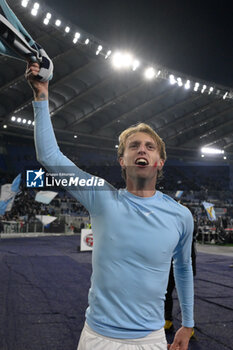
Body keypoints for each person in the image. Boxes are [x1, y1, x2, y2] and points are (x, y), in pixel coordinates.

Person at [26, 62, 194, 350]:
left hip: (151, 340)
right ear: (122, 161)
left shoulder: (181, 216)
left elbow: (183, 268)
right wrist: (42, 94)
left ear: (159, 162)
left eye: (149, 146)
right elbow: (49, 155)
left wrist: (188, 324)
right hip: (96, 339)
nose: (142, 149)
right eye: (134, 145)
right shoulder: (101, 196)